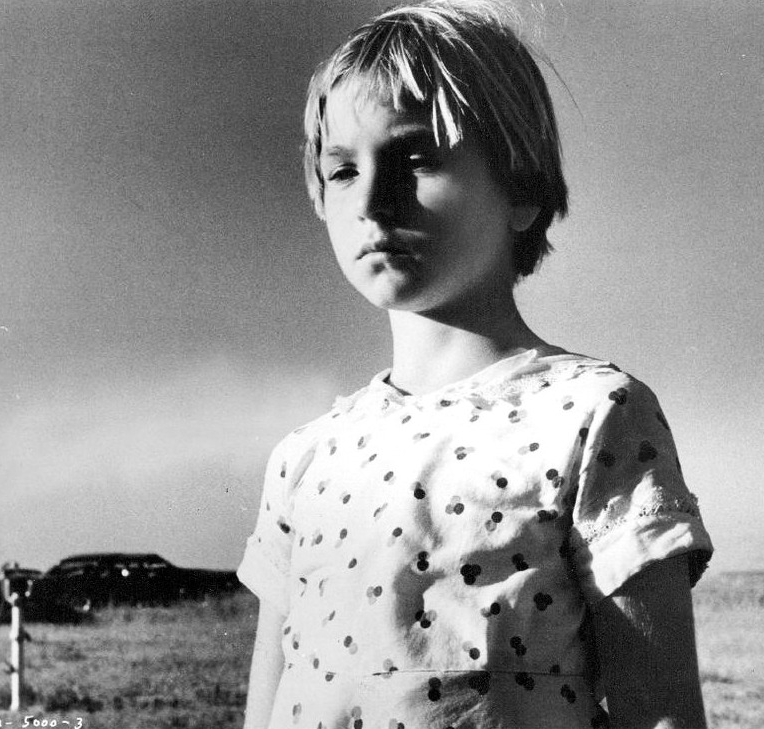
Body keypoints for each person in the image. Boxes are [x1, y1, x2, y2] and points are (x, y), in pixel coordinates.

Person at [237, 1, 713, 727]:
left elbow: (659, 713)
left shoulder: (592, 416)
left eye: (416, 159)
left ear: (521, 188)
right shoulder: (303, 459)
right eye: (343, 169)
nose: (372, 200)